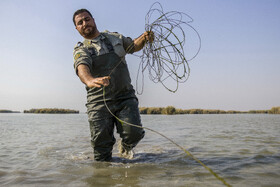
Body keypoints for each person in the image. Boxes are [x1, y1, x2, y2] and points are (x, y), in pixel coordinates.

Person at [72, 9, 153, 161]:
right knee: (101, 148)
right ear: (77, 28)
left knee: (134, 133)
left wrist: (145, 38)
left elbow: (133, 46)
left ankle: (125, 147)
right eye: (80, 23)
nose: (85, 23)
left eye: (87, 19)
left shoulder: (115, 37)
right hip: (98, 103)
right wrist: (89, 80)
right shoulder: (81, 49)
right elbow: (81, 66)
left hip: (125, 97)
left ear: (93, 20)